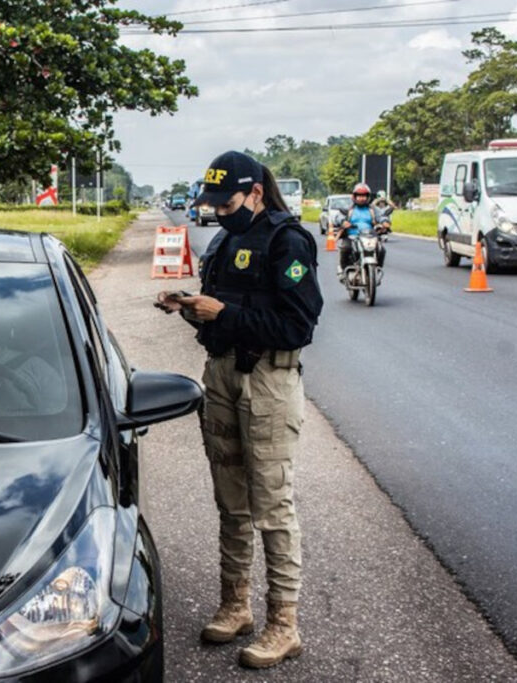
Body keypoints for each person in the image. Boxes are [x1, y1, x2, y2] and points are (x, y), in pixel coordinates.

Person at [155, 150, 322, 669]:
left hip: (268, 381)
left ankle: (283, 624)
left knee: (272, 506)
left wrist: (226, 311)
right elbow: (218, 322)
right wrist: (192, 310)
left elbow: (298, 328)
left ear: (253, 192)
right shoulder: (225, 242)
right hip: (223, 374)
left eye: (226, 203)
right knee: (231, 500)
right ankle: (236, 605)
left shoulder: (287, 240)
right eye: (212, 205)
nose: (219, 213)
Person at [335, 182, 389, 278]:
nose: (361, 198)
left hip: (369, 236)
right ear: (354, 197)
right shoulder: (350, 208)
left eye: (364, 196)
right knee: (345, 249)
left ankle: (377, 269)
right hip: (352, 236)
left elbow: (381, 216)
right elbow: (338, 216)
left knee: (381, 250)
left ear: (367, 197)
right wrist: (343, 222)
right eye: (359, 196)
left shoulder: (372, 209)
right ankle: (344, 270)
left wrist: (384, 222)